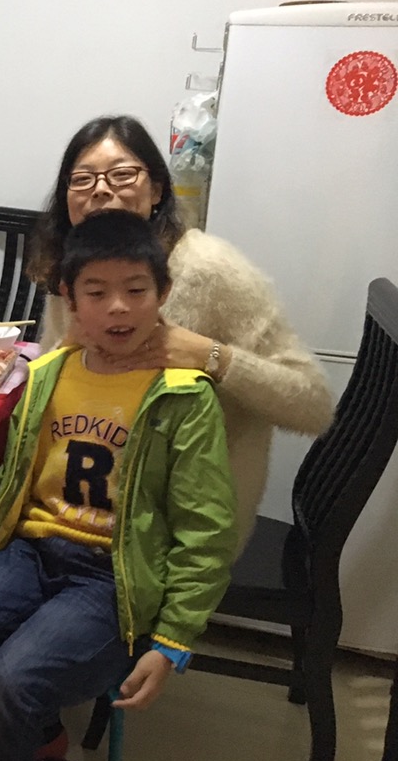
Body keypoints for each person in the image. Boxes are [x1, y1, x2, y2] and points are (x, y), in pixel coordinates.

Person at [0, 209, 237, 761]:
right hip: (30, 552)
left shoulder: (184, 398)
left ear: (163, 293)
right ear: (69, 298)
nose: (117, 307)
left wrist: (173, 640)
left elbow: (206, 530)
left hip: (112, 578)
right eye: (96, 292)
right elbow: (10, 481)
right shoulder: (48, 374)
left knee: (11, 682)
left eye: (136, 290)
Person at [27, 115, 333, 548]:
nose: (100, 189)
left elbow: (314, 406)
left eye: (121, 175)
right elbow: (46, 388)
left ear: (156, 190)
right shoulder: (72, 269)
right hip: (76, 505)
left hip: (182, 533)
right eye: (82, 179)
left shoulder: (209, 269)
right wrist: (66, 348)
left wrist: (211, 356)